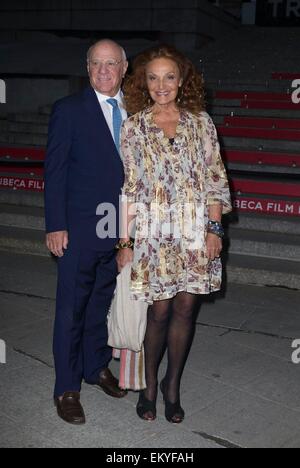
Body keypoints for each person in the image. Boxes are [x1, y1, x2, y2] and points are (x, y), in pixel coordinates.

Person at [117, 45, 232, 424]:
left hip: (196, 231)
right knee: (159, 311)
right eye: (153, 77)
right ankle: (149, 387)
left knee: (185, 308)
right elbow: (130, 188)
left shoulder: (201, 123)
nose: (161, 85)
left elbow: (215, 180)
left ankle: (172, 387)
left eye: (169, 77)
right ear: (143, 82)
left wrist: (215, 230)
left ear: (181, 81)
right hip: (154, 233)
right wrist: (125, 241)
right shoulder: (134, 126)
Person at [44, 39, 129, 425]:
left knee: (101, 304)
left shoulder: (140, 111)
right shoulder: (69, 110)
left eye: (111, 64)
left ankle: (96, 368)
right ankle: (66, 386)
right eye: (96, 64)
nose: (103, 71)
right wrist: (56, 224)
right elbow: (55, 170)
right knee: (71, 310)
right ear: (88, 67)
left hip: (119, 228)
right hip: (77, 229)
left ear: (124, 67)